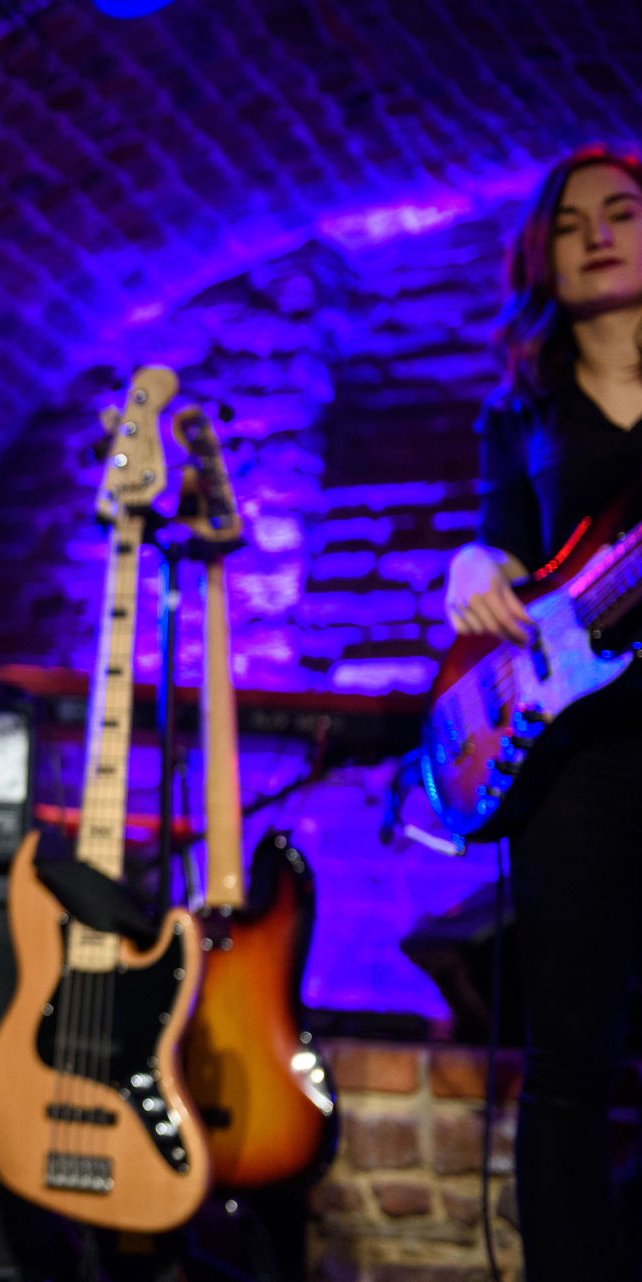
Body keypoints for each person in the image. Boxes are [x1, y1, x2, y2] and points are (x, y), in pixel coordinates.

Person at [442, 145, 642, 1281]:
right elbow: (502, 547)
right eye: (570, 223)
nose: (598, 234)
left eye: (623, 212)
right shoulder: (521, 409)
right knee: (568, 1063)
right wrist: (470, 565)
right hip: (575, 760)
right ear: (542, 258)